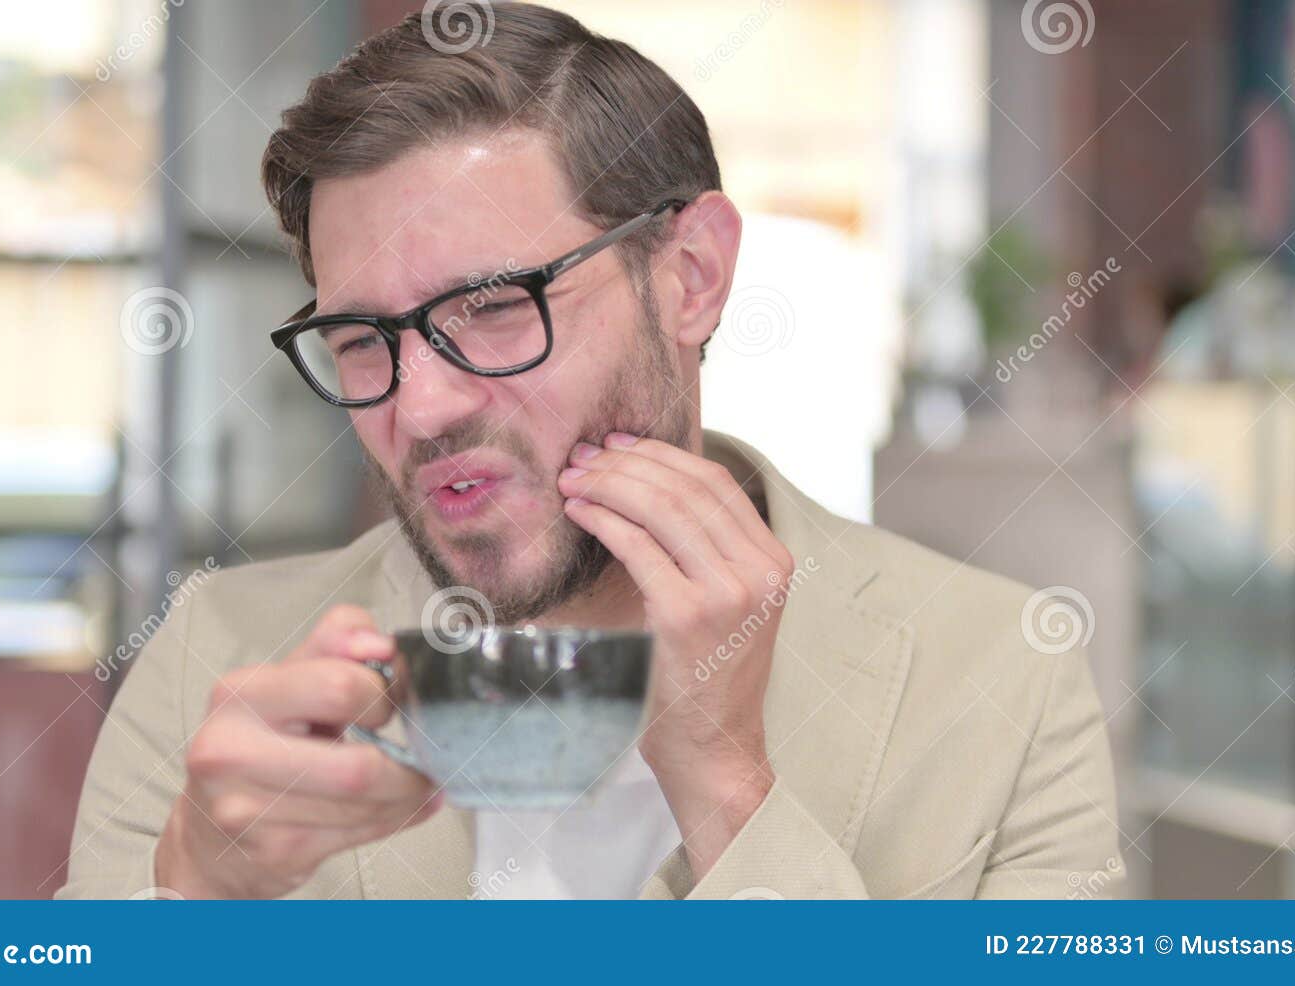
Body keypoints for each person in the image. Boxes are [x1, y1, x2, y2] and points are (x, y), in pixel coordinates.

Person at [58, 2, 1121, 900]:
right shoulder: (218, 652)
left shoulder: (1003, 678)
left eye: (489, 308)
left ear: (691, 275)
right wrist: (191, 896)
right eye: (359, 339)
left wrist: (724, 781)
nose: (420, 409)